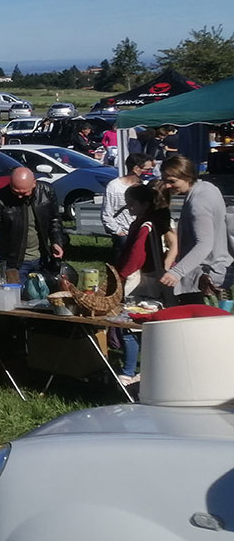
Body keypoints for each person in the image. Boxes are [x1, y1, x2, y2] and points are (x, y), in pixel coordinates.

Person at [113, 181, 177, 384]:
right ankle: (148, 368)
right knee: (142, 327)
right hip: (149, 279)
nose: (129, 208)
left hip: (139, 280)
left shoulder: (145, 226)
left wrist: (121, 275)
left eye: (132, 204)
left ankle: (129, 371)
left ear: (145, 204)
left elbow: (137, 256)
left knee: (129, 327)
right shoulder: (149, 222)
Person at [158, 154, 232, 305]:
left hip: (204, 277)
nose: (167, 186)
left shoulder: (198, 203)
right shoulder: (208, 187)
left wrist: (176, 272)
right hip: (217, 268)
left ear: (188, 176)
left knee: (201, 318)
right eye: (165, 180)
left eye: (172, 181)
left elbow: (204, 244)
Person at [0, 167, 65, 283]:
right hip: (13, 261)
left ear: (34, 183)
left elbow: (54, 220)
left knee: (43, 292)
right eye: (15, 191)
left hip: (42, 258)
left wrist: (56, 242)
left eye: (24, 193)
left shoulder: (46, 192)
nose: (19, 196)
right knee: (14, 292)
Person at [101, 153, 153, 253]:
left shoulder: (145, 186)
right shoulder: (114, 186)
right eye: (147, 170)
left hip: (142, 232)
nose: (149, 173)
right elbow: (107, 212)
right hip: (123, 235)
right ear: (136, 169)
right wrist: (118, 232)